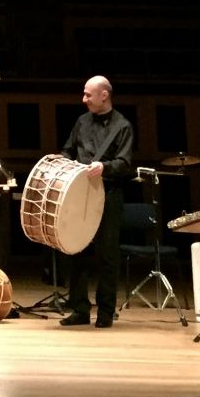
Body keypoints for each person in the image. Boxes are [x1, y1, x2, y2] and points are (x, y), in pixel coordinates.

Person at [58, 75, 133, 328]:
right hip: (80, 195)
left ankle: (105, 312)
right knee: (77, 249)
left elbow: (124, 163)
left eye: (89, 95)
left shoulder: (122, 126)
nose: (84, 99)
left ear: (105, 95)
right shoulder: (81, 121)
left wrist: (105, 167)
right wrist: (62, 161)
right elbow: (68, 150)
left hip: (109, 195)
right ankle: (79, 309)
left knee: (107, 255)